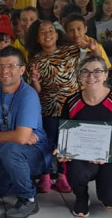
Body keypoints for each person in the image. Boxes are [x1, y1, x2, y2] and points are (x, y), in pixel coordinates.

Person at [0, 47, 52, 218]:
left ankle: (28, 198)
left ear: (22, 70)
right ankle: (21, 179)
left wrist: (0, 135)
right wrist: (16, 135)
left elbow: (17, 137)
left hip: (34, 152)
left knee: (11, 150)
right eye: (0, 66)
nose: (4, 71)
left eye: (10, 66)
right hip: (3, 153)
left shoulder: (28, 94)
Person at [58, 56, 112, 217]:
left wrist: (105, 148)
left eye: (97, 71)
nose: (91, 77)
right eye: (85, 72)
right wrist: (63, 150)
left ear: (106, 75)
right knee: (75, 168)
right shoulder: (71, 102)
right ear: (79, 76)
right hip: (83, 153)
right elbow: (66, 134)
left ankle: (108, 187)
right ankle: (81, 196)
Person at [25, 20, 83, 193]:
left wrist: (93, 47)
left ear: (57, 34)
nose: (48, 34)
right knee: (48, 143)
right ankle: (46, 176)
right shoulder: (35, 61)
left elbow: (92, 59)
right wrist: (34, 80)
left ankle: (63, 176)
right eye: (43, 32)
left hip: (71, 106)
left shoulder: (71, 51)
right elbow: (38, 90)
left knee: (67, 143)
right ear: (37, 39)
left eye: (51, 30)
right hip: (48, 108)